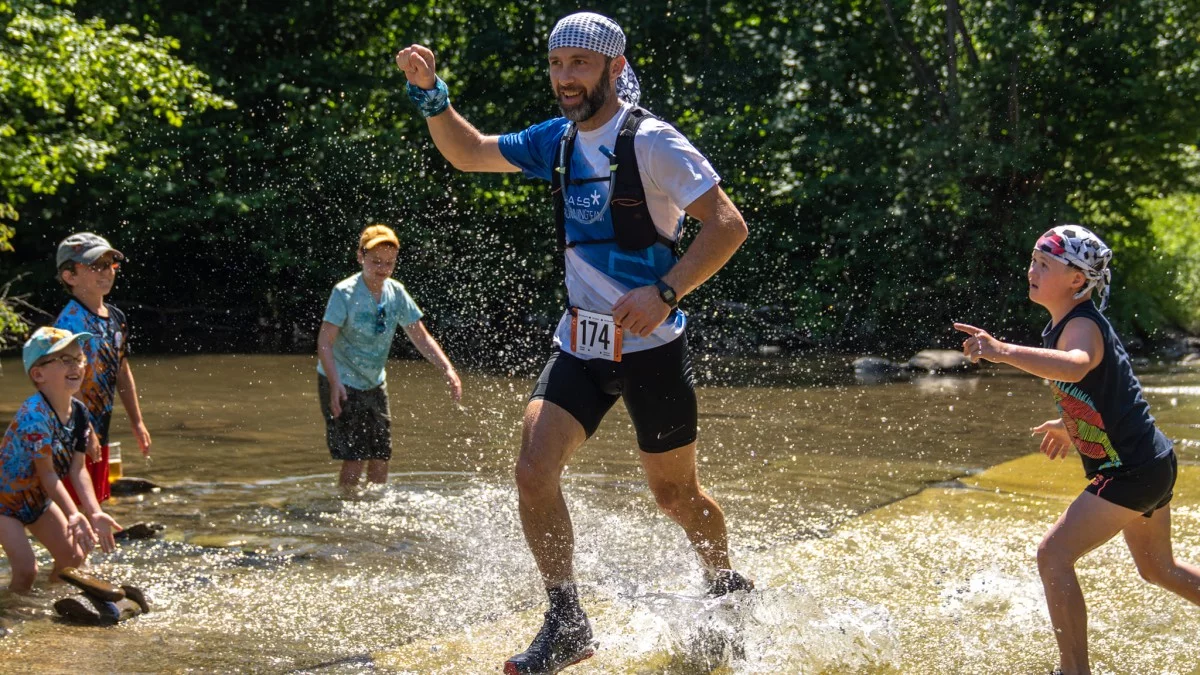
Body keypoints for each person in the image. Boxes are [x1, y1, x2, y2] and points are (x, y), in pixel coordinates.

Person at [397, 12, 752, 674]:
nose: (565, 77)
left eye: (579, 64)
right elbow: (468, 151)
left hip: (652, 350)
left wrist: (666, 291)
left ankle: (724, 586)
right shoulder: (555, 141)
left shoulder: (652, 142)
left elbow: (728, 225)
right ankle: (566, 621)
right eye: (557, 64)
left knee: (676, 498)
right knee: (533, 470)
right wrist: (431, 94)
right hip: (581, 346)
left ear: (614, 69)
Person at [954, 225, 1200, 675]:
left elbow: (1077, 366)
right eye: (1033, 261)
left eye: (1044, 264)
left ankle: (1074, 671)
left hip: (1130, 471)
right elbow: (1106, 390)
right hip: (1151, 462)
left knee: (1053, 555)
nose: (1032, 271)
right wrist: (1071, 424)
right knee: (1158, 569)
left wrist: (1001, 350)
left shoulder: (1082, 325)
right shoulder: (1064, 324)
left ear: (1076, 279)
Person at [317, 224, 462, 493]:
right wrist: (335, 383)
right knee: (355, 457)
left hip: (374, 382)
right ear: (360, 257)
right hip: (341, 379)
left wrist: (447, 369)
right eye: (376, 262)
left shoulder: (396, 293)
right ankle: (346, 507)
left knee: (381, 454)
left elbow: (420, 336)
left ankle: (375, 508)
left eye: (389, 263)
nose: (382, 269)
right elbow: (325, 342)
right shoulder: (344, 293)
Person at [0, 327, 122, 592]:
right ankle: (12, 612)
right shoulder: (34, 416)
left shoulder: (79, 412)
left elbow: (78, 469)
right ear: (38, 374)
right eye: (64, 359)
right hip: (4, 505)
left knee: (73, 558)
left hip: (37, 501)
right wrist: (73, 514)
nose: (76, 365)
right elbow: (48, 474)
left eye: (79, 358)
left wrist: (94, 512)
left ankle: (50, 605)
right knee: (26, 570)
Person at [54, 232, 152, 505]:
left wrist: (137, 422)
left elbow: (122, 371)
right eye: (96, 265)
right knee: (75, 509)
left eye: (110, 264)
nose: (107, 272)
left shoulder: (116, 318)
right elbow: (63, 383)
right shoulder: (68, 324)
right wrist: (84, 430)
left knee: (96, 504)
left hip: (100, 431)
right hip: (71, 433)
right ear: (70, 276)